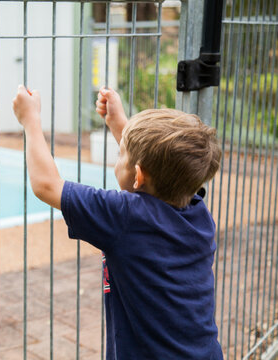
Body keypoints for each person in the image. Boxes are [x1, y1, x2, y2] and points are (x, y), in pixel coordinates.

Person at [12, 85, 223, 359]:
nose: (118, 157)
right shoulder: (197, 211)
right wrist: (118, 122)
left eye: (119, 154)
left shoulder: (125, 216)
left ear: (138, 175)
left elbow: (46, 185)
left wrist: (30, 121)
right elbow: (155, 168)